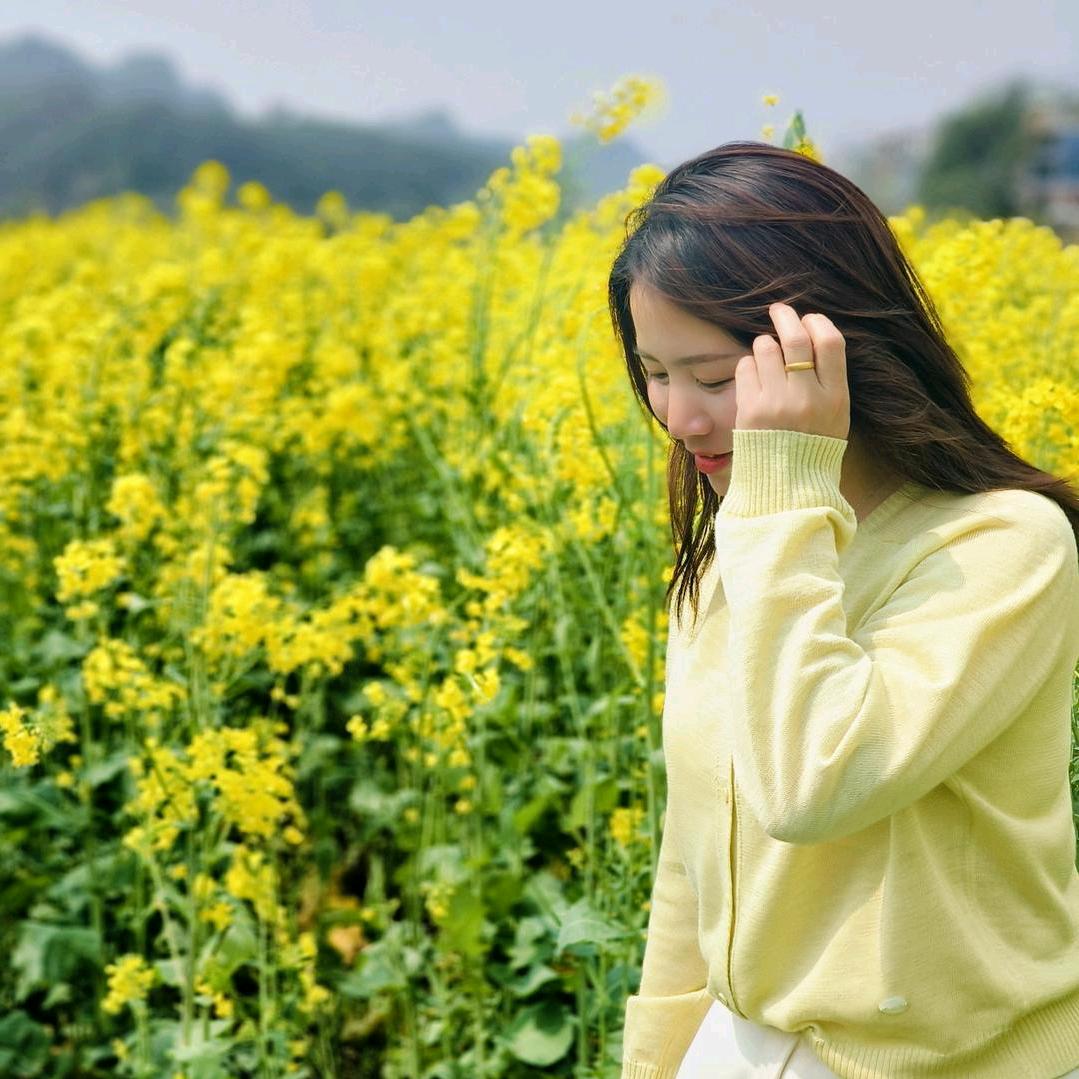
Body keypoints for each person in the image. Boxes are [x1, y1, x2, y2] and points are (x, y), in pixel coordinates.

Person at [607, 141, 1079, 1078]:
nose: (679, 420)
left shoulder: (1000, 548)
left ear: (831, 352)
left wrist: (783, 495)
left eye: (712, 378)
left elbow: (811, 787)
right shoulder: (741, 544)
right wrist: (652, 1057)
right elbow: (695, 841)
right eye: (655, 374)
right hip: (734, 1049)